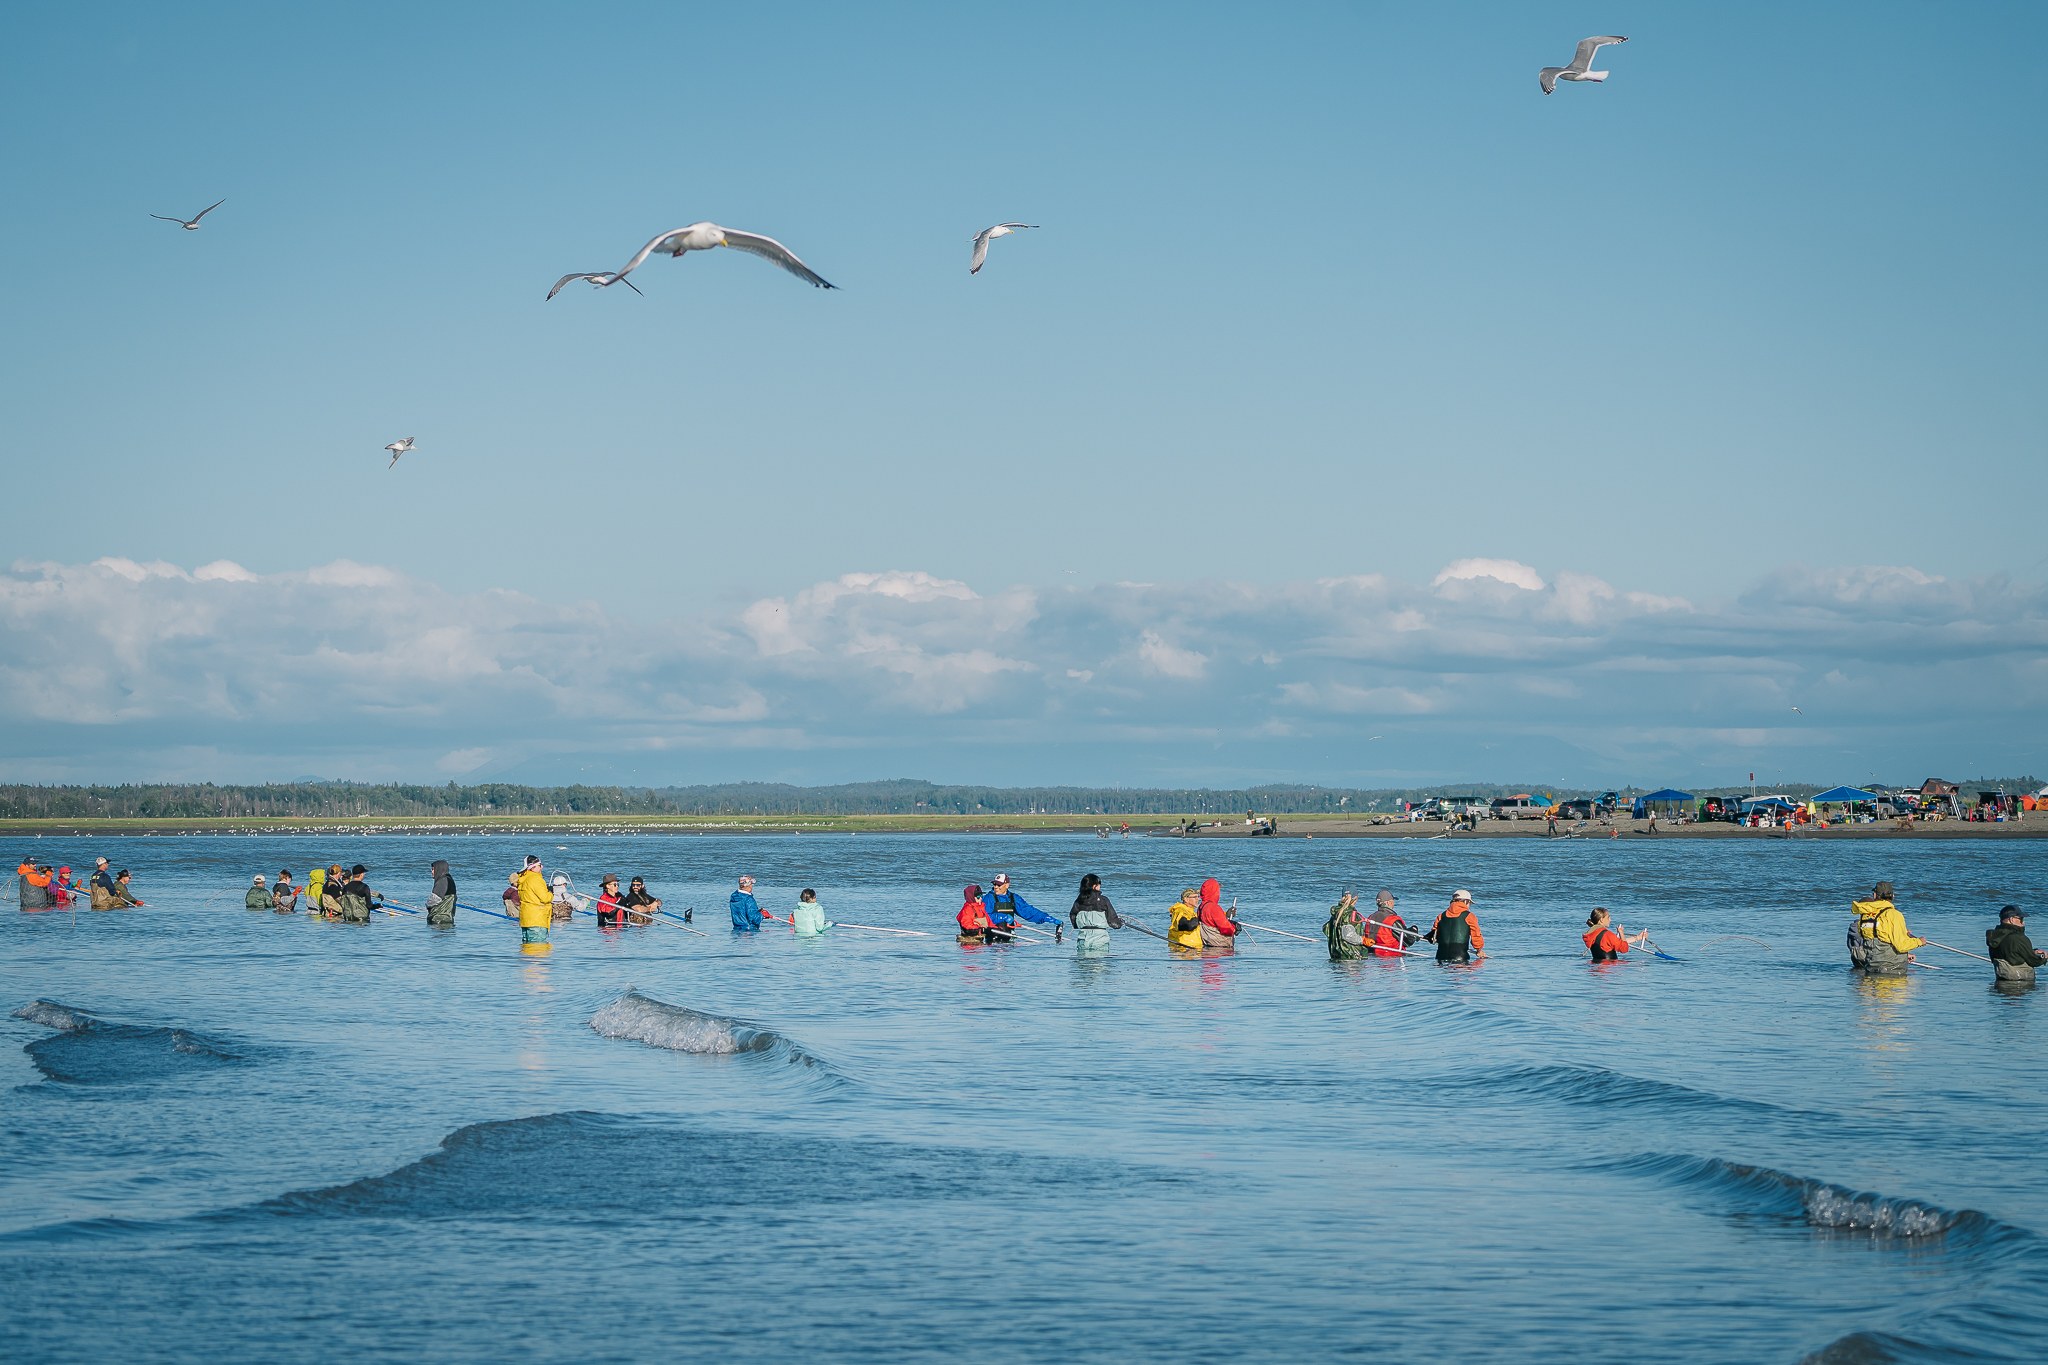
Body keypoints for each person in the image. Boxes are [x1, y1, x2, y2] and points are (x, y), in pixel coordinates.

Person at [1848, 880, 1922, 975]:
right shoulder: (1894, 914)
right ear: (1892, 896)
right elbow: (1901, 946)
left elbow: (1876, 936)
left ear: (1875, 895)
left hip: (1871, 966)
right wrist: (1919, 941)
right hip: (1893, 968)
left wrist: (1902, 932)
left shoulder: (1864, 916)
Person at [983, 874, 1059, 935]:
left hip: (1009, 933)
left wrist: (1046, 918)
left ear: (1007, 885)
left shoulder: (1013, 898)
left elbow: (1028, 911)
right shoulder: (988, 898)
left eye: (999, 885)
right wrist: (1002, 917)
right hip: (992, 934)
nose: (996, 887)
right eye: (994, 884)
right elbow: (984, 917)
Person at [1986, 906, 2043, 984]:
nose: (2023, 923)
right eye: (2021, 919)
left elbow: (2011, 953)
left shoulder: (1994, 936)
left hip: (2001, 981)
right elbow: (2034, 961)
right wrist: (2044, 957)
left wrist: (2033, 952)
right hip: (2020, 983)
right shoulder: (2018, 938)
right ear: (2011, 919)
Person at [1425, 890, 1486, 963]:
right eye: (1470, 903)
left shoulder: (1440, 916)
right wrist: (1479, 950)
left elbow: (1433, 936)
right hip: (1460, 958)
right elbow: (1476, 936)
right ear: (1466, 902)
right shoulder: (1469, 916)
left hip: (1440, 957)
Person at [1068, 872, 1122, 952]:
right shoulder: (1103, 900)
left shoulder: (1079, 901)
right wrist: (1119, 923)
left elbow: (1073, 916)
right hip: (1099, 939)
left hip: (1083, 938)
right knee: (1099, 958)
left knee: (1083, 959)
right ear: (1094, 886)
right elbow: (1113, 921)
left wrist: (1077, 926)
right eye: (1099, 884)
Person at [516, 854, 554, 949]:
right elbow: (545, 898)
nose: (542, 867)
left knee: (527, 949)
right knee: (538, 950)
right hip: (537, 920)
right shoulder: (535, 879)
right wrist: (550, 892)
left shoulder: (523, 879)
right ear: (532, 867)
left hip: (526, 920)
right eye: (539, 865)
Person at [1584, 907, 1649, 961]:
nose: (1610, 920)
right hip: (1609, 967)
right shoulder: (1607, 934)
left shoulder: (1591, 934)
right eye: (1608, 917)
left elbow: (1616, 942)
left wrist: (1638, 938)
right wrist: (1621, 933)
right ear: (1601, 920)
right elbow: (1624, 948)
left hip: (1595, 967)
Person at [1364, 890, 1416, 956]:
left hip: (1370, 953)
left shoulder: (1370, 918)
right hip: (1390, 956)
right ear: (1389, 903)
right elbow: (1408, 941)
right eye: (1393, 901)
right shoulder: (1392, 920)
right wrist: (1414, 930)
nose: (1393, 903)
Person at [1324, 890, 1370, 961]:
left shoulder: (1336, 914)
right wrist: (1363, 940)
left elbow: (1326, 930)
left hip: (1336, 955)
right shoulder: (1349, 914)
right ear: (1356, 898)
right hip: (1351, 956)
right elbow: (1348, 936)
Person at [1196, 877, 1240, 949]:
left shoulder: (1201, 906)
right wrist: (1235, 928)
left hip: (1208, 944)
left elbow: (1211, 922)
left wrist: (1227, 916)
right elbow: (1226, 929)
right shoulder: (1213, 907)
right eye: (1218, 890)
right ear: (1214, 891)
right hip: (1220, 947)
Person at [425, 860, 457, 926]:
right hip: (447, 918)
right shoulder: (449, 879)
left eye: (433, 869)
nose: (432, 872)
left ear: (439, 869)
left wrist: (427, 905)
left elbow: (434, 900)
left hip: (438, 919)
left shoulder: (442, 881)